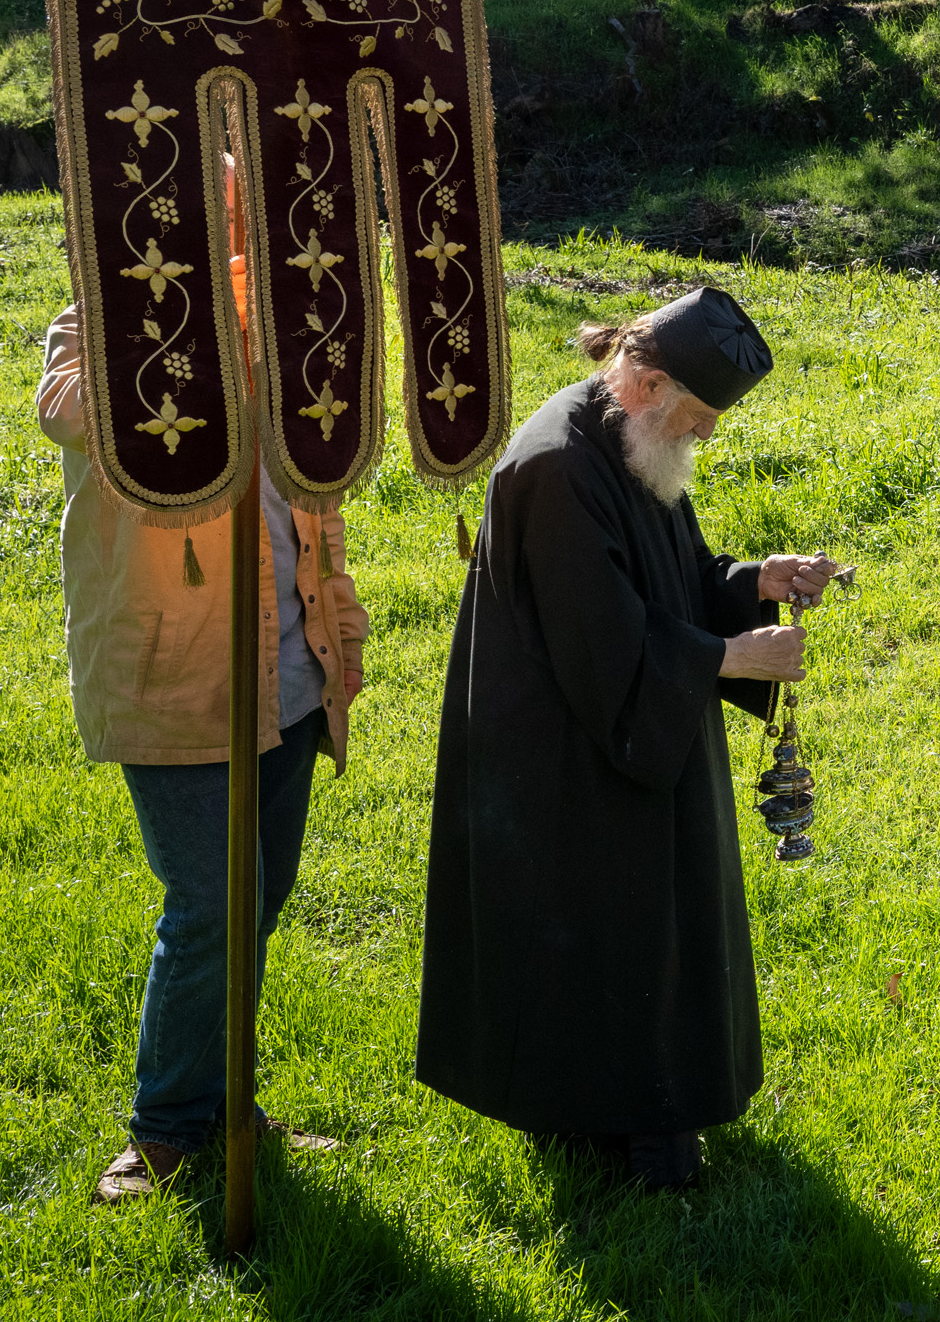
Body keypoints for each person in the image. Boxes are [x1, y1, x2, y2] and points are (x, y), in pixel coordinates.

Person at [413, 287, 843, 1190]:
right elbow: (602, 643)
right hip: (561, 748)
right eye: (698, 417)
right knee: (609, 922)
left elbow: (671, 574)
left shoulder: (630, 438)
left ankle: (638, 1108)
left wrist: (754, 580)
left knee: (648, 917)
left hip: (623, 722)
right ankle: (630, 1122)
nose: (706, 437)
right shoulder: (561, 468)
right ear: (646, 384)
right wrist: (731, 656)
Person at [41, 153, 370, 1205]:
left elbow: (322, 501)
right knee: (206, 905)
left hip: (288, 668)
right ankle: (166, 1131)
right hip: (176, 676)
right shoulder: (98, 323)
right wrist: (195, 312)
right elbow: (71, 408)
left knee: (258, 900)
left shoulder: (289, 335)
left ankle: (232, 1108)